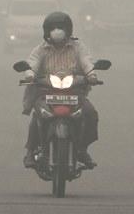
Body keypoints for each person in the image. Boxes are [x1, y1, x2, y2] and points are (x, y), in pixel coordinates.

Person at [22, 12, 99, 169]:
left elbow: (87, 62)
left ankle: (82, 149)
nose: (57, 31)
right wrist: (30, 75)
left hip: (74, 92)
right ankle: (30, 151)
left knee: (90, 113)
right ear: (46, 31)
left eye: (61, 28)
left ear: (68, 30)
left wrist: (91, 75)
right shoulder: (41, 49)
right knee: (38, 115)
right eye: (53, 28)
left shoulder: (78, 47)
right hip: (46, 92)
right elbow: (32, 64)